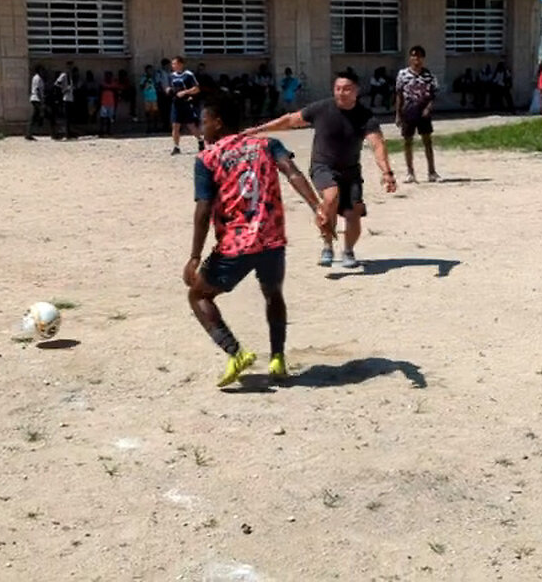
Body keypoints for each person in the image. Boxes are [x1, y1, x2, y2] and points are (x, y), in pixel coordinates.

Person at [184, 97, 326, 388]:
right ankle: (277, 358)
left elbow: (203, 210)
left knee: (198, 295)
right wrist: (318, 207)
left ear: (218, 122)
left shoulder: (207, 159)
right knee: (273, 293)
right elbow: (292, 173)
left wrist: (195, 255)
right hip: (272, 239)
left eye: (204, 122)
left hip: (236, 244)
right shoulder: (267, 145)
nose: (201, 128)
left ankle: (236, 353)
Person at [244, 70, 398, 268]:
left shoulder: (365, 116)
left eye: (346, 89)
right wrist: (257, 130)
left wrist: (387, 173)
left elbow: (377, 144)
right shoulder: (321, 108)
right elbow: (290, 120)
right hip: (322, 166)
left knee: (353, 214)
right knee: (331, 197)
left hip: (351, 171)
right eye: (338, 89)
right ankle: (327, 245)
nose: (341, 93)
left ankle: (348, 251)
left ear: (356, 91)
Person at [394, 45, 442, 183]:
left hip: (423, 112)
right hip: (408, 110)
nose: (417, 59)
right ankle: (410, 172)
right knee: (408, 141)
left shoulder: (429, 75)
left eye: (419, 56)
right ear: (410, 58)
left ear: (423, 58)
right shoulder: (403, 75)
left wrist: (428, 108)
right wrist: (398, 114)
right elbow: (399, 95)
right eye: (414, 55)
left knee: (427, 141)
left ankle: (432, 172)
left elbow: (433, 95)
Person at [167, 55, 204, 155]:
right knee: (175, 126)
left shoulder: (188, 75)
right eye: (173, 64)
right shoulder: (171, 76)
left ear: (180, 64)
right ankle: (176, 146)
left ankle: (200, 140)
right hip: (176, 103)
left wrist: (185, 92)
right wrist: (169, 90)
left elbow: (196, 89)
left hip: (186, 103)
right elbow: (169, 86)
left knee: (191, 126)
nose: (173, 66)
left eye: (175, 63)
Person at [53, 63, 76, 139]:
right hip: (66, 98)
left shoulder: (70, 76)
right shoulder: (64, 75)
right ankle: (66, 133)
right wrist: (64, 89)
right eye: (69, 67)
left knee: (70, 117)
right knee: (66, 117)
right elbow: (56, 83)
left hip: (71, 98)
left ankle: (69, 132)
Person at [25, 66, 47, 140]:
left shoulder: (36, 77)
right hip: (36, 98)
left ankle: (30, 132)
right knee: (36, 115)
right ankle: (29, 132)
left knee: (35, 115)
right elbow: (37, 89)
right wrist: (41, 100)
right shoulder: (38, 78)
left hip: (35, 98)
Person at [98, 70, 119, 137]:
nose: (108, 77)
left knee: (109, 118)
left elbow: (116, 95)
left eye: (109, 76)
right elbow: (99, 94)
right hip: (104, 103)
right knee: (102, 118)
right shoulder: (102, 84)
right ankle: (101, 131)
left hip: (111, 103)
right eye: (107, 76)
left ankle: (108, 131)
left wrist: (116, 104)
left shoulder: (114, 85)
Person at [139, 65, 159, 132]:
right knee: (148, 113)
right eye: (149, 70)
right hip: (147, 97)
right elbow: (141, 87)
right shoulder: (144, 78)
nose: (150, 71)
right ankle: (148, 127)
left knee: (155, 112)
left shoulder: (154, 78)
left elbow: (157, 85)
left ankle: (155, 127)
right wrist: (146, 80)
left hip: (154, 96)